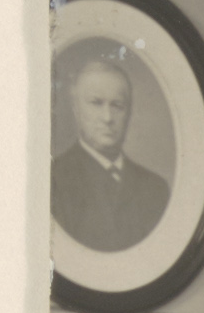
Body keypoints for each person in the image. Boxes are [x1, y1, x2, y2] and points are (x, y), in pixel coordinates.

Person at [52, 56, 171, 252]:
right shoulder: (53, 179)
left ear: (129, 113)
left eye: (117, 105)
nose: (107, 118)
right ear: (76, 109)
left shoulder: (155, 189)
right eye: (96, 103)